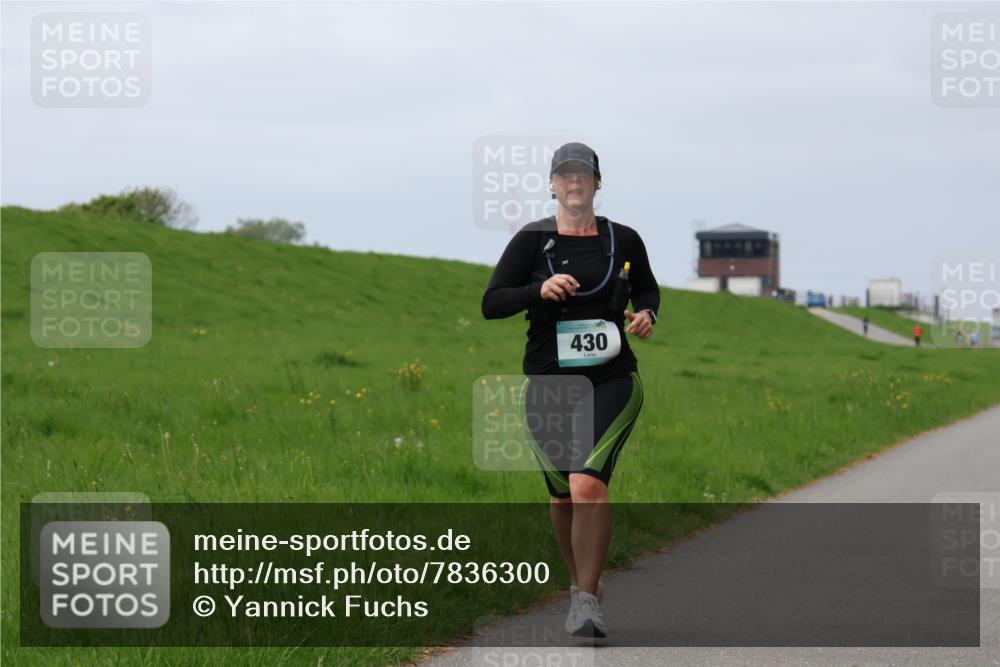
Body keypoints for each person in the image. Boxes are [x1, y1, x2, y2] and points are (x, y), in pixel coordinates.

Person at [481, 142, 660, 638]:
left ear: (598, 183)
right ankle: (582, 584)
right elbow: (492, 303)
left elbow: (647, 289)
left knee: (587, 483)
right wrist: (537, 290)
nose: (575, 181)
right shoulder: (531, 240)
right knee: (562, 498)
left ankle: (585, 600)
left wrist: (647, 314)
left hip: (611, 377)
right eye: (565, 174)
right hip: (548, 381)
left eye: (584, 174)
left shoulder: (623, 239)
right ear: (553, 184)